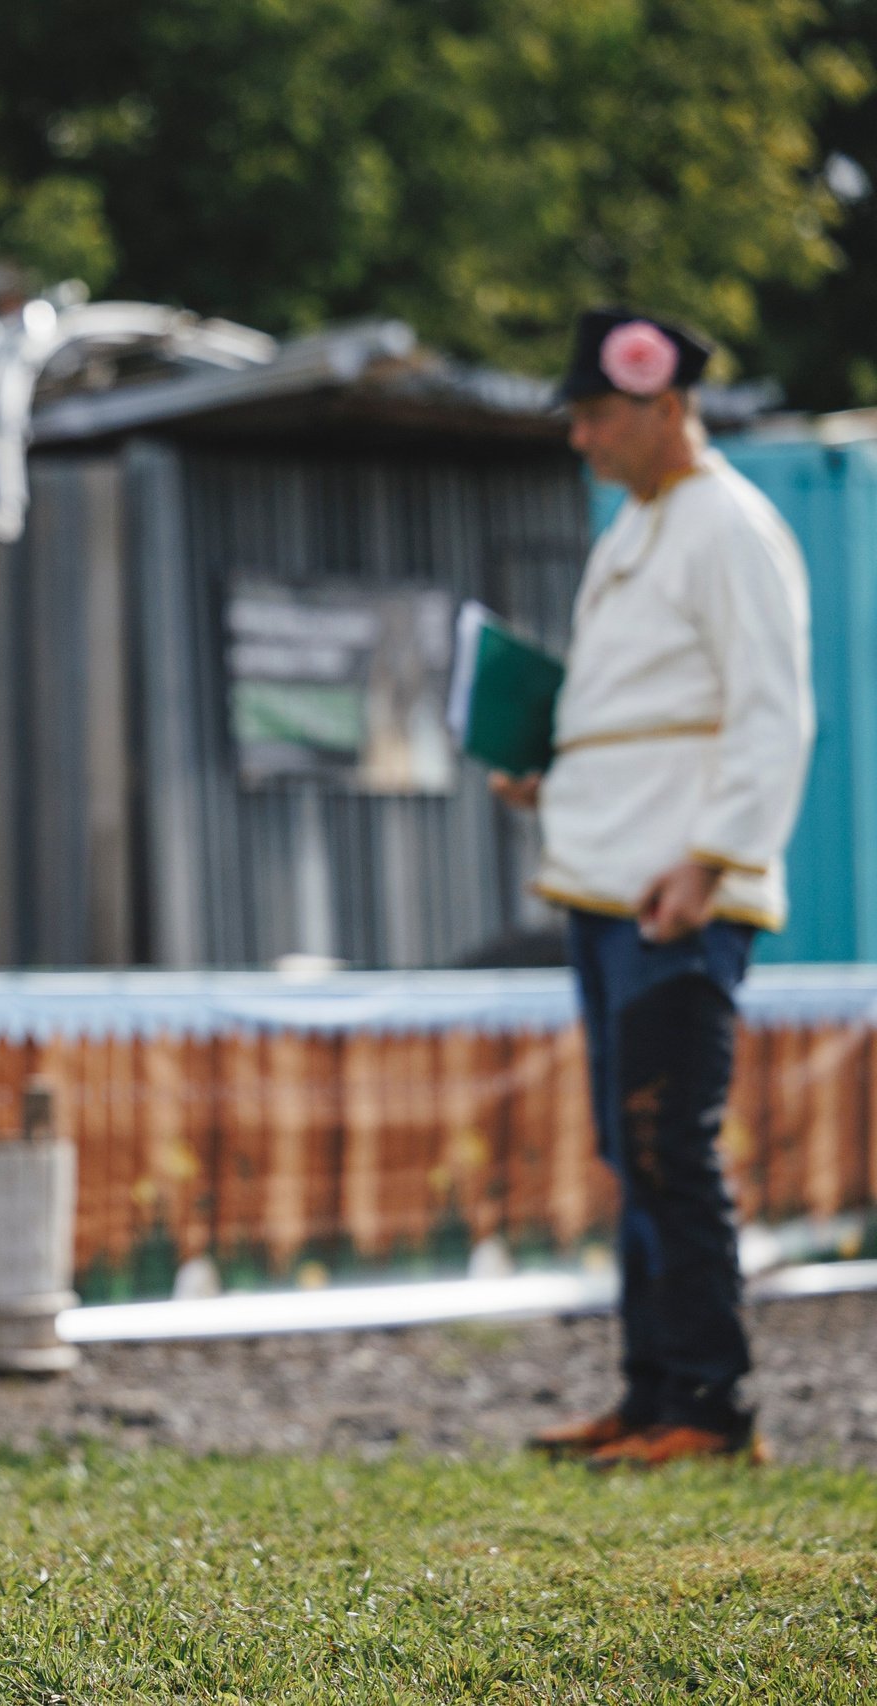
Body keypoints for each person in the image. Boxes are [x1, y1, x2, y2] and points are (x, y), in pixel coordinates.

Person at [492, 308, 812, 1468]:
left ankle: (711, 1405)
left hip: (675, 889)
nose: (580, 437)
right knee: (631, 1144)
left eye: (593, 413)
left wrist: (714, 857)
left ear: (661, 403)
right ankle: (649, 1389)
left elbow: (774, 710)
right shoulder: (639, 529)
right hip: (608, 876)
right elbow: (634, 709)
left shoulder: (726, 525)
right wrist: (551, 765)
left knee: (669, 1139)